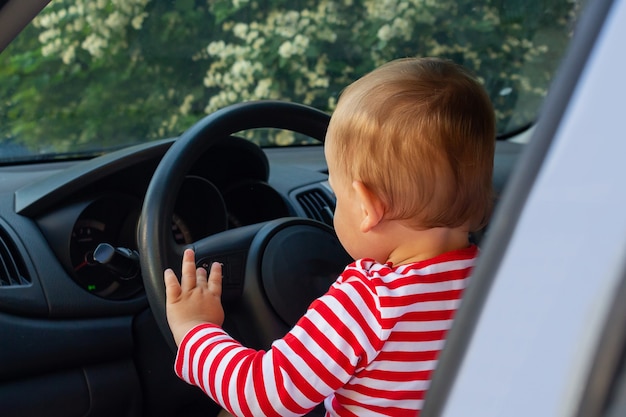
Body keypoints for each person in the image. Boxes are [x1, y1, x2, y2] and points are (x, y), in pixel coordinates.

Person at [163, 56, 496, 417]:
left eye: (337, 195)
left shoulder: (369, 301)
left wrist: (194, 330)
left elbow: (262, 395)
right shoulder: (499, 282)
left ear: (368, 208)